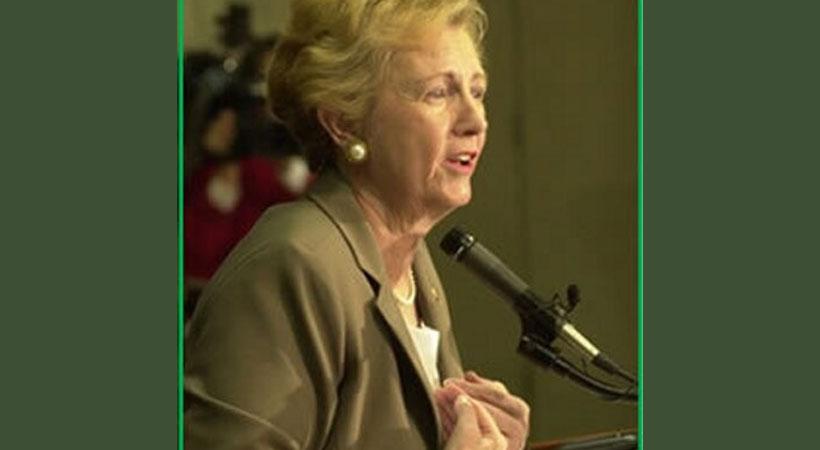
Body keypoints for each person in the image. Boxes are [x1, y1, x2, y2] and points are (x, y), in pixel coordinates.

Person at [184, 0, 530, 449]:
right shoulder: (292, 264)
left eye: (477, 91)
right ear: (343, 122)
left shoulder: (411, 262)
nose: (474, 121)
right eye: (438, 93)